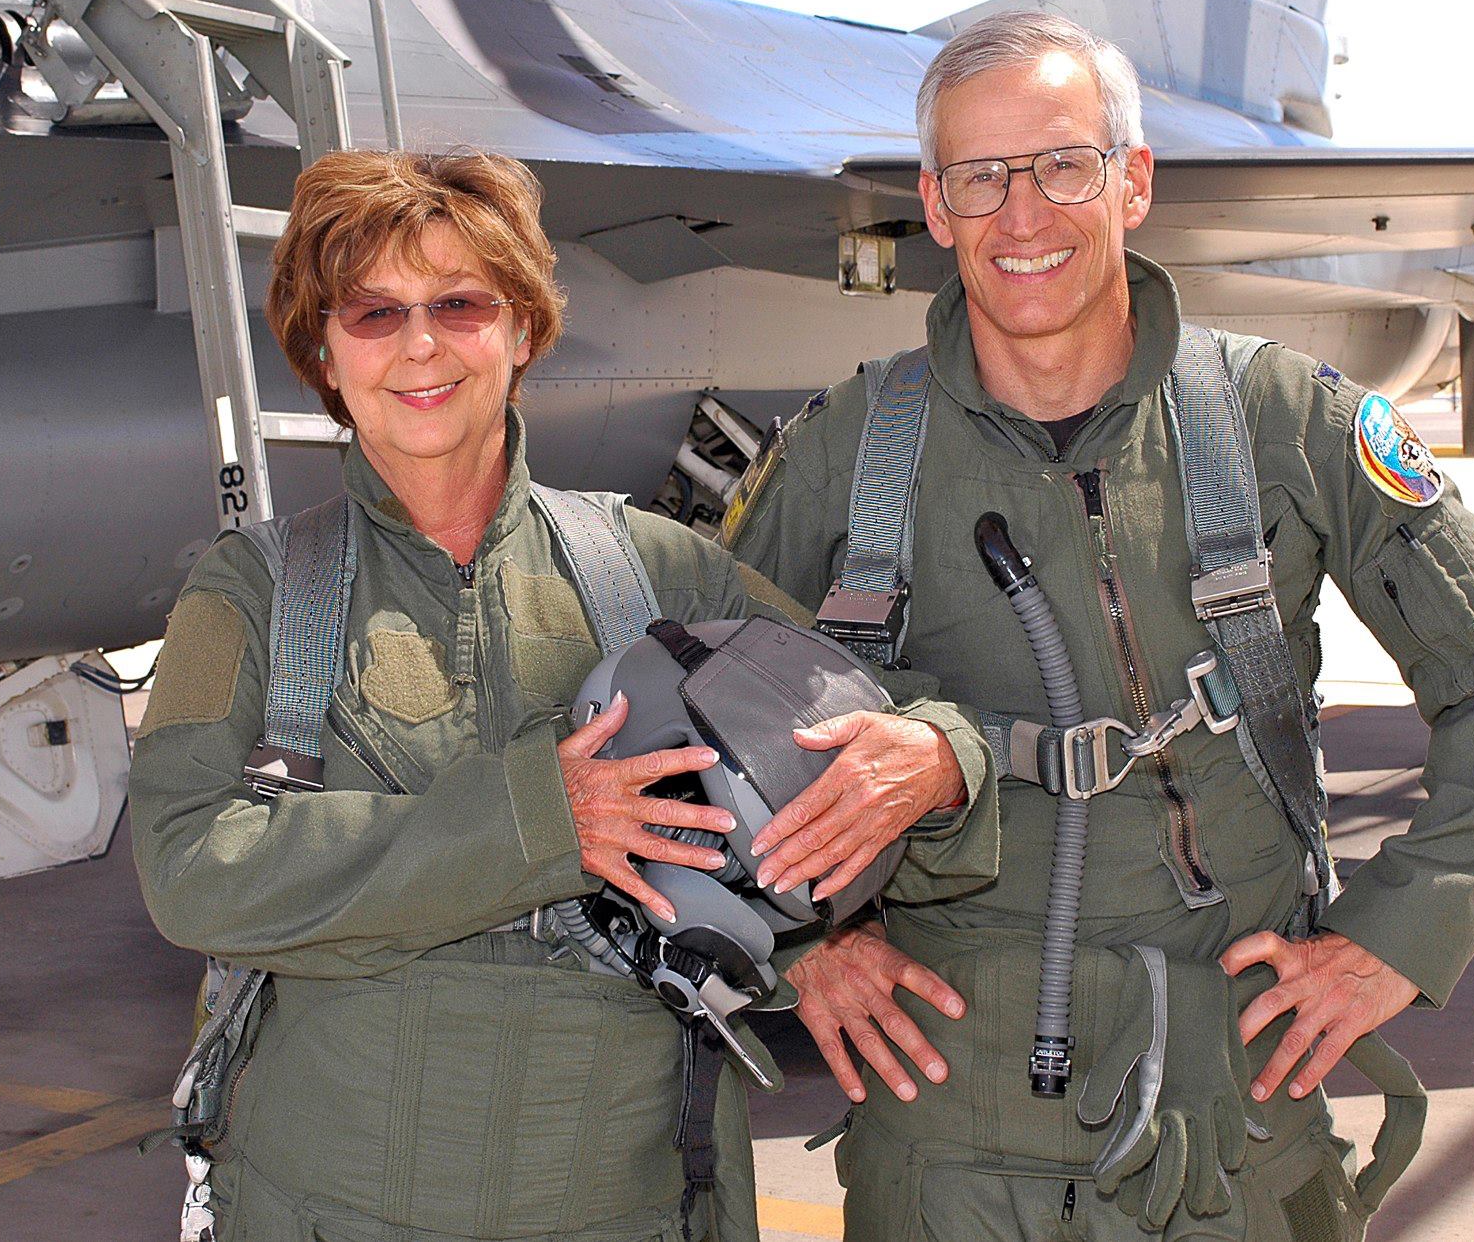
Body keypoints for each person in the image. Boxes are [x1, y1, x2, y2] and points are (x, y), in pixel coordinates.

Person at [727, 10, 1474, 1241]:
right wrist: (802, 949)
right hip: (947, 1145)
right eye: (980, 177)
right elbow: (677, 711)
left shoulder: (1280, 423)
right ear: (934, 203)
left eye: (1062, 164)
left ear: (1130, 182)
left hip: (1230, 1129)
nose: (1022, 215)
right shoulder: (847, 451)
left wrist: (1397, 935)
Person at [126, 149, 995, 1242]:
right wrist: (543, 820)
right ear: (321, 351)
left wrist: (921, 778)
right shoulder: (254, 595)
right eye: (372, 314)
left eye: (459, 304)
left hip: (628, 1203)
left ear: (524, 330)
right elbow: (191, 868)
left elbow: (871, 718)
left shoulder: (659, 576)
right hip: (328, 1205)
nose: (421, 344)